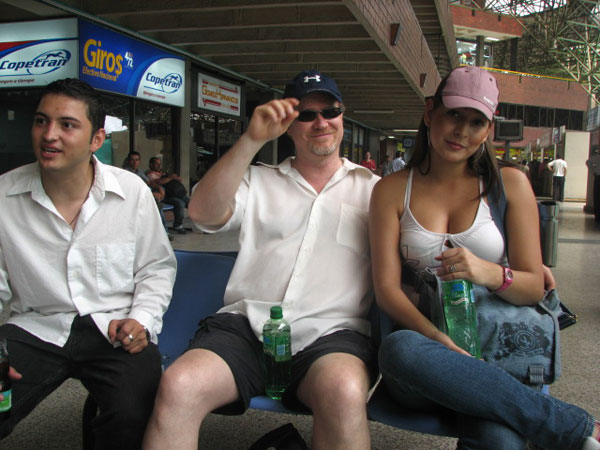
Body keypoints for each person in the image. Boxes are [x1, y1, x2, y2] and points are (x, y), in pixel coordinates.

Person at [143, 70, 380, 450]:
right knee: (179, 385)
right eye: (306, 114)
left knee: (344, 391)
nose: (320, 122)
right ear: (289, 125)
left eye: (330, 111)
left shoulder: (374, 191)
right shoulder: (258, 180)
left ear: (342, 114)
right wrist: (251, 139)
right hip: (247, 328)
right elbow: (202, 215)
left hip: (332, 334)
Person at [369, 66, 599, 450]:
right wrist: (441, 342)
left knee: (501, 442)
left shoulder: (509, 184)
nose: (462, 131)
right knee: (399, 349)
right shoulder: (392, 190)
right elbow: (387, 290)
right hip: (427, 362)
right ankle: (574, 428)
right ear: (430, 111)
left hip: (500, 356)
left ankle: (540, 418)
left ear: (488, 129)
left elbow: (534, 288)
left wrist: (489, 272)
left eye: (476, 122)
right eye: (454, 115)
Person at [0, 78, 177, 449]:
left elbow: (156, 268)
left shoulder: (131, 192)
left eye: (67, 124)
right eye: (41, 121)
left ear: (97, 139)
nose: (49, 135)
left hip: (114, 328)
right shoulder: (5, 196)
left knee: (133, 415)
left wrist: (143, 319)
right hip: (36, 326)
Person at [146, 156, 189, 234]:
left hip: (173, 194)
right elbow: (159, 181)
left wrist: (174, 177)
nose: (159, 166)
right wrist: (171, 178)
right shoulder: (150, 174)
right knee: (180, 203)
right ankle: (178, 225)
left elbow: (179, 179)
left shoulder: (163, 172)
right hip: (163, 197)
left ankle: (200, 218)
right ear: (151, 165)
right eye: (156, 164)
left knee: (187, 200)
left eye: (159, 164)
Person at [586, 148, 600, 222]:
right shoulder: (596, 157)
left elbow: (588, 162)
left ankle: (597, 215)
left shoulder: (595, 157)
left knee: (597, 196)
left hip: (598, 177)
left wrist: (593, 171)